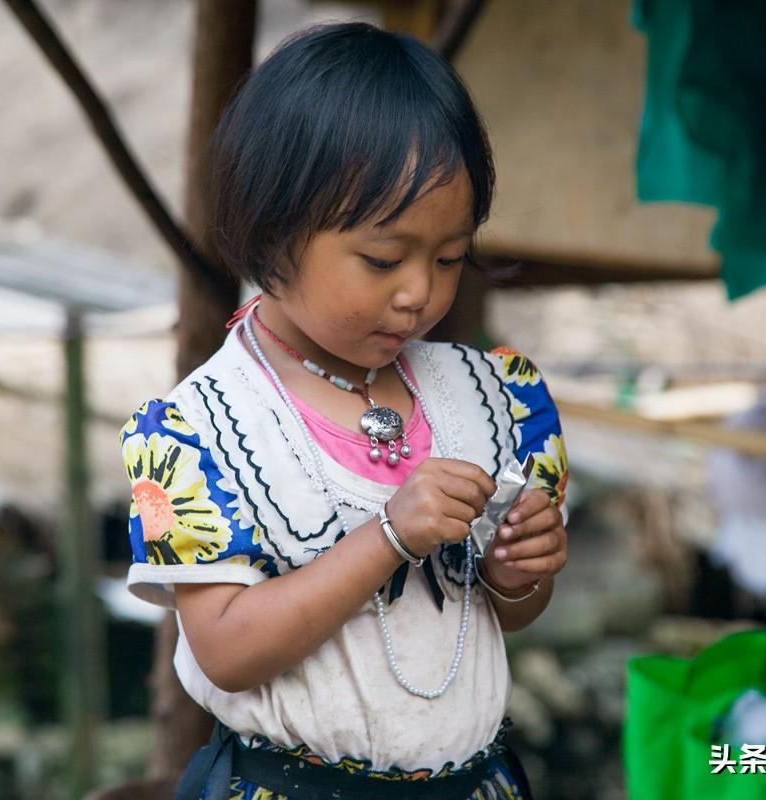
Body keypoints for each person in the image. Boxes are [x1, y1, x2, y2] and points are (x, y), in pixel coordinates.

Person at [119, 21, 569, 800]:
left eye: (450, 258)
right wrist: (389, 535)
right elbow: (225, 648)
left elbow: (510, 615)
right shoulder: (200, 431)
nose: (419, 292)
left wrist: (518, 571)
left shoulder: (496, 397)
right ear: (274, 232)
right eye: (383, 259)